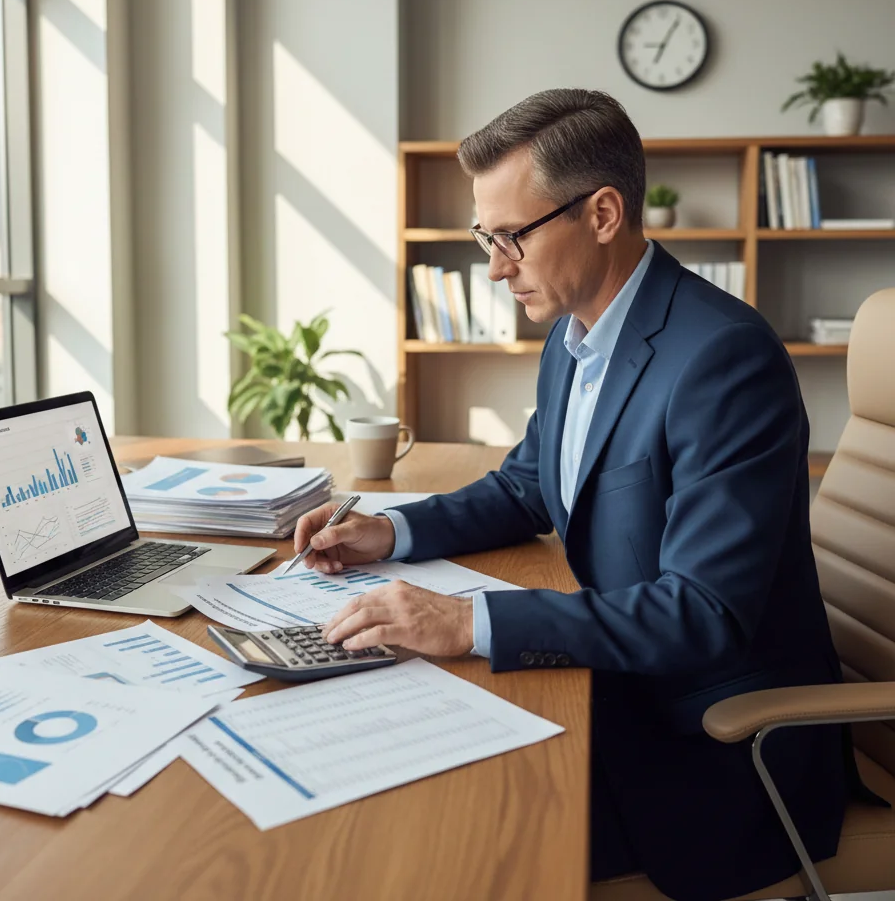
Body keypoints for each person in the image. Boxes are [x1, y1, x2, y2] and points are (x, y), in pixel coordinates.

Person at [294, 89, 857, 901]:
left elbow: (702, 612)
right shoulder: (574, 334)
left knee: (447, 842)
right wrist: (387, 532)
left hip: (715, 754)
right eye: (485, 237)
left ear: (601, 214)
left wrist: (467, 622)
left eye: (512, 237)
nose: (495, 267)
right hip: (618, 690)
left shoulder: (724, 358)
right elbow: (531, 484)